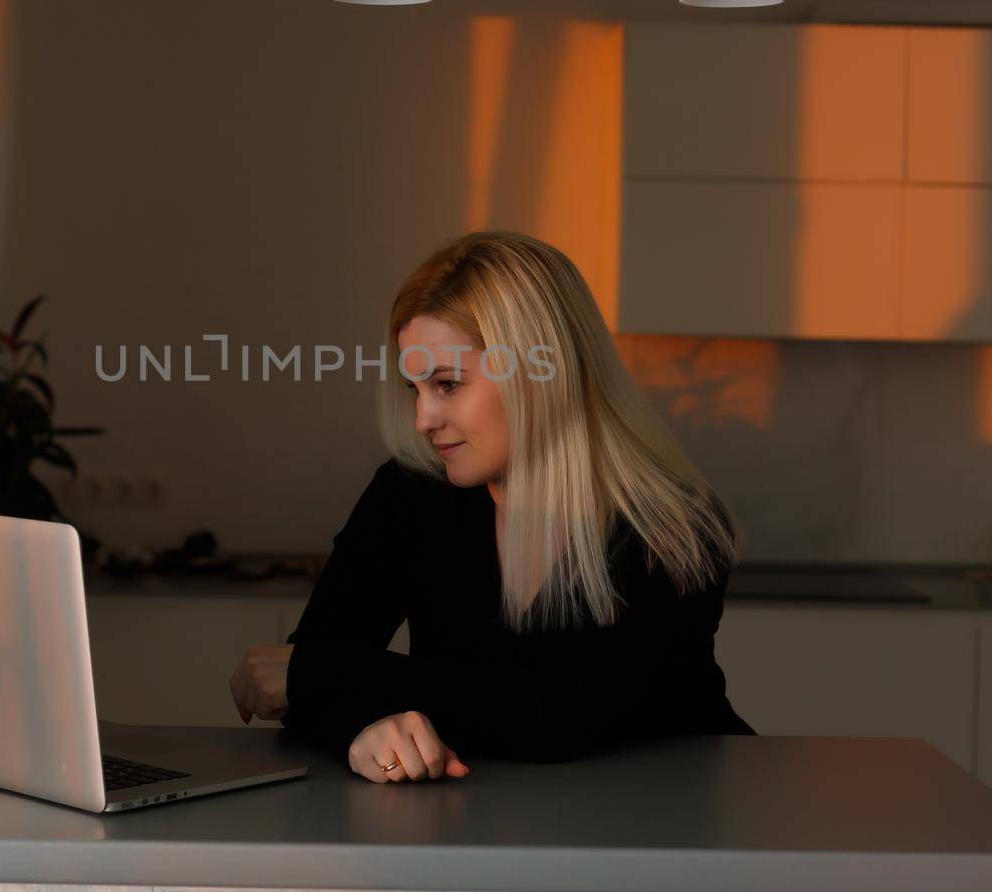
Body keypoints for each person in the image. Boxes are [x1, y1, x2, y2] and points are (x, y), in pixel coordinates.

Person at [227, 230, 752, 784]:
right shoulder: (412, 493)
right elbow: (312, 690)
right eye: (416, 390)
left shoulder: (672, 522)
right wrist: (361, 730)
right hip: (482, 829)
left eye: (448, 384)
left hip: (672, 827)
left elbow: (557, 715)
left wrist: (324, 673)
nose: (423, 419)